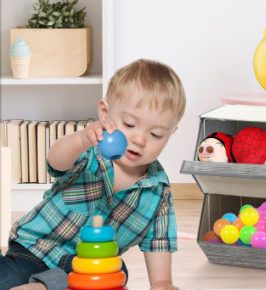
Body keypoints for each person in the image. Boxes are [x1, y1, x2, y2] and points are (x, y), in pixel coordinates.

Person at [0, 59, 186, 290]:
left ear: (170, 134)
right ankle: (43, 284)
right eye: (129, 124)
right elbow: (55, 162)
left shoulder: (159, 193)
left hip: (85, 268)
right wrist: (81, 139)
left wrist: (162, 284)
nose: (139, 139)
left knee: (117, 271)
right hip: (33, 250)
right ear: (105, 112)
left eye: (156, 134)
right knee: (6, 277)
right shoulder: (89, 152)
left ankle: (44, 286)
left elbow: (159, 244)